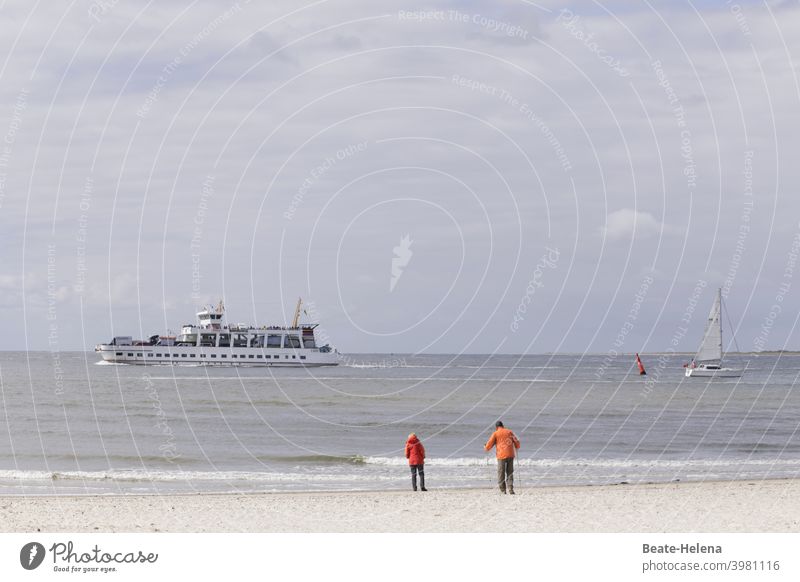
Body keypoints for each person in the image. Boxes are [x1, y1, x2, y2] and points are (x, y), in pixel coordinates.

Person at [484, 421, 520, 494]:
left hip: (501, 455)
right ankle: (511, 489)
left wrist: (485, 447)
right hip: (510, 454)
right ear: (503, 425)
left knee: (501, 472)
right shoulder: (510, 432)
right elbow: (517, 443)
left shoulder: (496, 433)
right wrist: (517, 446)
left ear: (496, 427)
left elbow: (488, 446)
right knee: (510, 472)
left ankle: (503, 490)